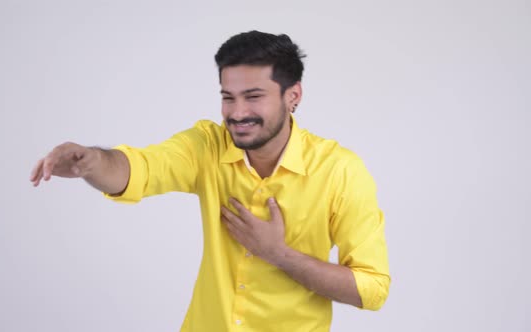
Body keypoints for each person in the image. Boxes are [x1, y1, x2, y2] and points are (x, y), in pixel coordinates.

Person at [29, 30, 390, 332]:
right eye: (227, 98)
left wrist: (278, 254)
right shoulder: (207, 146)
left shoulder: (340, 171)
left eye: (253, 97)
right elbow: (141, 168)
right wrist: (92, 162)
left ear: (292, 96)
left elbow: (372, 289)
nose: (237, 113)